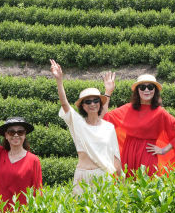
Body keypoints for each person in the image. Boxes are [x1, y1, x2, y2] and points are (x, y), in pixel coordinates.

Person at [49, 61, 121, 195]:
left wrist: (121, 181)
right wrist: (59, 80)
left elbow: (115, 155)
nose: (92, 104)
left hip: (103, 175)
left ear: (100, 103)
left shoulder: (108, 127)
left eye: (95, 101)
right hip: (83, 176)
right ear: (83, 106)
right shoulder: (78, 124)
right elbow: (64, 104)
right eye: (88, 101)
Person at [103, 74, 175, 177]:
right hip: (128, 155)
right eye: (142, 87)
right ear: (137, 91)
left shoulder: (160, 113)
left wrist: (164, 150)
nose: (146, 90)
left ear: (155, 90)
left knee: (147, 183)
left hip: (148, 156)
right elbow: (104, 118)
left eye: (150, 87)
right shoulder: (128, 109)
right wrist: (108, 92)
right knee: (127, 184)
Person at [0, 89, 43, 211]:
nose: (16, 135)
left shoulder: (33, 161)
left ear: (24, 135)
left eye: (20, 132)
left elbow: (38, 192)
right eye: (11, 132)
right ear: (6, 135)